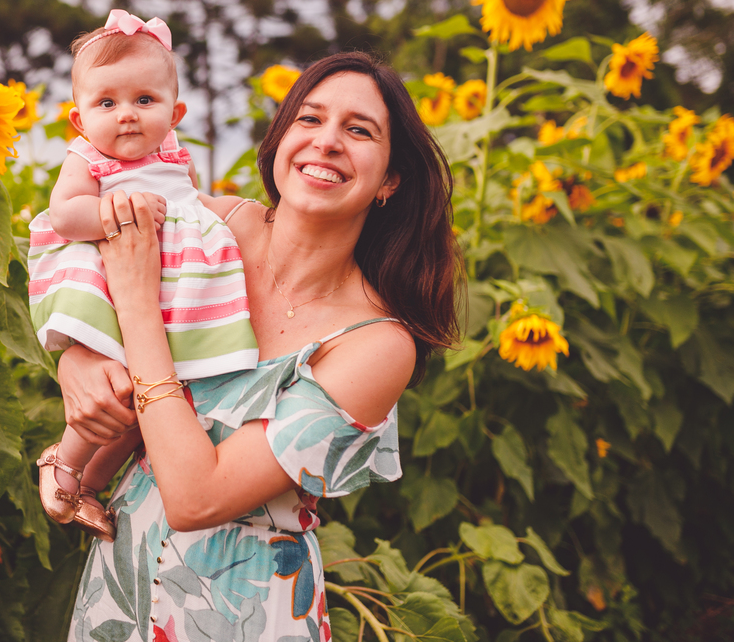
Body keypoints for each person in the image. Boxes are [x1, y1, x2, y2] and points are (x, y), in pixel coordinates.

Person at [58, 51, 462, 640]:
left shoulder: (376, 344)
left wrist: (140, 308)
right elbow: (72, 263)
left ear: (391, 178)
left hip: (242, 614)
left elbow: (197, 499)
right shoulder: (206, 226)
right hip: (123, 587)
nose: (326, 142)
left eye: (358, 130)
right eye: (309, 119)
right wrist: (80, 356)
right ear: (280, 140)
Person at [29, 9, 260, 540]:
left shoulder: (177, 156)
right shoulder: (89, 159)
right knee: (113, 384)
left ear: (174, 112)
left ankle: (90, 481)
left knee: (151, 390)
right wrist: (115, 214)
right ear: (80, 119)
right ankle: (64, 464)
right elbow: (65, 214)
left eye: (145, 101)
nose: (126, 115)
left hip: (169, 284)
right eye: (107, 103)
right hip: (109, 278)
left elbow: (193, 206)